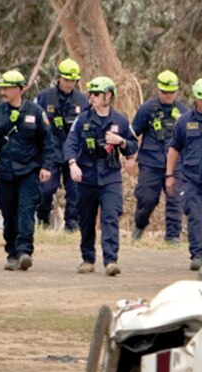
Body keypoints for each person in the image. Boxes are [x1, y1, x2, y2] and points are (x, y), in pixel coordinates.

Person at [0, 70, 57, 272]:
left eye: (6, 88)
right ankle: (12, 253)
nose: (3, 91)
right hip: (5, 172)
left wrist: (46, 166)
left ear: (19, 89)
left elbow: (47, 141)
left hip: (29, 172)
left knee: (25, 211)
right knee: (8, 212)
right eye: (1, 87)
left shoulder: (36, 112)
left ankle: (24, 252)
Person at [64, 76, 138, 276]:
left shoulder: (120, 120)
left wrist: (121, 141)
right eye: (91, 94)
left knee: (110, 217)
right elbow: (70, 144)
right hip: (86, 177)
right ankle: (88, 259)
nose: (92, 97)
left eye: (96, 94)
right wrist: (72, 164)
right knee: (86, 219)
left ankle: (111, 260)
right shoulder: (83, 120)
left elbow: (133, 146)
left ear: (108, 95)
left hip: (110, 177)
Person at [166, 77, 202, 270]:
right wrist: (169, 175)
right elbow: (174, 148)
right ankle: (197, 254)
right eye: (201, 99)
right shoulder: (184, 121)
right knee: (194, 214)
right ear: (195, 99)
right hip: (191, 178)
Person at [131, 70, 188, 243]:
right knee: (147, 199)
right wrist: (129, 156)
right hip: (150, 163)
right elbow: (133, 133)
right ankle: (139, 226)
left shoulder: (183, 112)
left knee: (175, 200)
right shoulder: (147, 109)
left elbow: (189, 139)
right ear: (158, 90)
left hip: (175, 164)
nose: (168, 95)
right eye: (165, 92)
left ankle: (172, 237)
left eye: (171, 92)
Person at [34, 58, 89, 232]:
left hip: (73, 153)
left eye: (72, 81)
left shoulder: (82, 101)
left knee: (75, 192)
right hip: (50, 152)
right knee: (46, 190)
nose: (68, 84)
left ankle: (72, 226)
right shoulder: (44, 97)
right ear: (59, 78)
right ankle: (43, 218)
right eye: (66, 80)